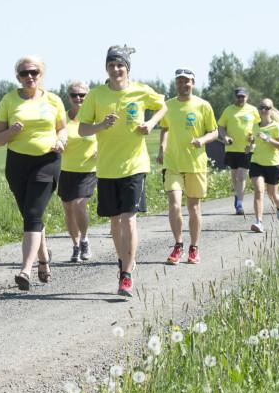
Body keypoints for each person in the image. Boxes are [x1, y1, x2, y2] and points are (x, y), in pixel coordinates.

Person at [78, 46, 167, 295]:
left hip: (135, 165)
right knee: (114, 223)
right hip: (106, 168)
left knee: (129, 219)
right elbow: (82, 130)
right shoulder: (96, 95)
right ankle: (123, 260)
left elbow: (163, 106)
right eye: (112, 65)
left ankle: (126, 275)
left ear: (127, 68)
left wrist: (150, 123)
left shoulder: (140, 90)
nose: (116, 69)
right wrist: (100, 125)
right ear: (106, 68)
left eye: (120, 65)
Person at [0, 56, 67, 291]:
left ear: (41, 74)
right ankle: (44, 260)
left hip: (47, 161)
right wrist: (12, 132)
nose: (30, 77)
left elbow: (62, 128)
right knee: (30, 216)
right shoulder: (8, 100)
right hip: (17, 164)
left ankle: (25, 270)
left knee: (34, 213)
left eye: (34, 72)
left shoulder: (54, 100)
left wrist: (61, 140)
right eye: (24, 73)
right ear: (18, 77)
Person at [157, 68, 219, 265]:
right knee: (174, 204)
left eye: (187, 81)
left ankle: (194, 247)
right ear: (176, 84)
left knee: (193, 207)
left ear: (193, 83)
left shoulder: (203, 105)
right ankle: (178, 245)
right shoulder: (168, 106)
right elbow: (165, 129)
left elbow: (214, 132)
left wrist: (202, 140)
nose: (183, 85)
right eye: (180, 81)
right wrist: (161, 149)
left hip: (196, 163)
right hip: (173, 162)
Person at [58, 80, 98, 263]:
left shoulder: (93, 118)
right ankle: (75, 245)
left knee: (79, 205)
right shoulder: (62, 119)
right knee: (68, 209)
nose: (78, 98)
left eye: (82, 95)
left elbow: (108, 136)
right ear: (69, 97)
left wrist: (101, 150)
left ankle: (84, 239)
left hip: (88, 170)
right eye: (74, 95)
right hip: (66, 170)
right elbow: (55, 136)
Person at [217, 88, 259, 215]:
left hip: (247, 148)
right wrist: (225, 137)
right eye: (239, 97)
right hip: (231, 148)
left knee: (241, 176)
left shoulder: (253, 110)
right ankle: (237, 194)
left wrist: (254, 137)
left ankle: (239, 203)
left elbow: (260, 126)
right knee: (235, 176)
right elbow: (221, 126)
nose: (241, 99)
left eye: (243, 97)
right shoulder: (228, 110)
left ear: (247, 97)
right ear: (235, 97)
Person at [249, 99, 279, 233]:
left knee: (272, 194)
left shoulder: (276, 126)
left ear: (271, 110)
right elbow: (253, 142)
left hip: (273, 163)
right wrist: (249, 147)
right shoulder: (254, 126)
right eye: (261, 108)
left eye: (266, 108)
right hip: (256, 162)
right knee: (259, 191)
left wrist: (268, 139)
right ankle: (258, 222)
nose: (263, 110)